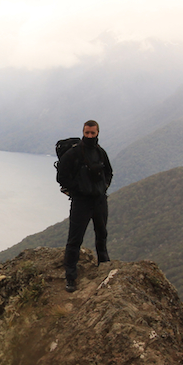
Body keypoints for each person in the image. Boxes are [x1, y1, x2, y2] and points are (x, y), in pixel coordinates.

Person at [56, 120, 113, 292]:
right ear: (83, 132)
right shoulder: (74, 154)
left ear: (97, 133)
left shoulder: (100, 152)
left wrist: (103, 187)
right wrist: (77, 190)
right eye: (87, 133)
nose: (89, 136)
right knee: (75, 239)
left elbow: (109, 172)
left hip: (99, 200)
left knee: (102, 233)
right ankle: (70, 277)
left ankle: (103, 264)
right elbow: (61, 177)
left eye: (92, 133)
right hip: (81, 202)